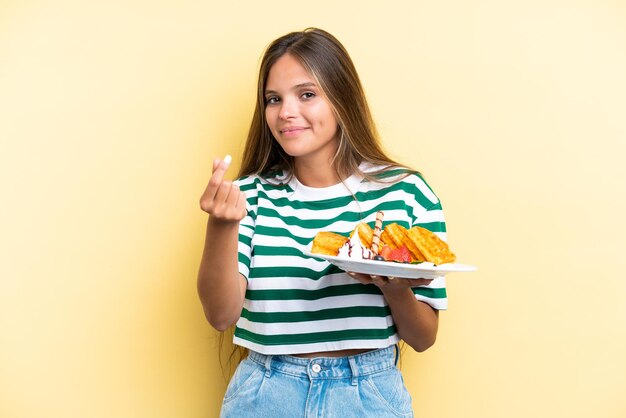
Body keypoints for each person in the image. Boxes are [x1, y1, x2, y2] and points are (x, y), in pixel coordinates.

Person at [198, 28, 449, 418]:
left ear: (341, 98)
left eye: (307, 94)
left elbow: (423, 338)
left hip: (368, 394)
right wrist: (220, 226)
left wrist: (396, 288)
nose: (286, 112)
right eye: (273, 99)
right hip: (265, 395)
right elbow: (220, 316)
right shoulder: (249, 197)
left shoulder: (405, 194)